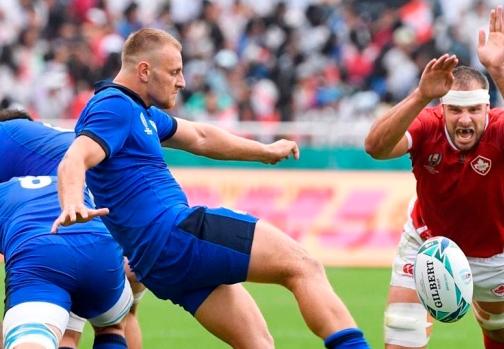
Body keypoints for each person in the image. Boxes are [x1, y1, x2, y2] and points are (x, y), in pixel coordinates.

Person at [52, 28, 370, 349]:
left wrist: (264, 151)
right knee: (303, 266)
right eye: (174, 71)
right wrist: (71, 202)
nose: (182, 82)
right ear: (144, 71)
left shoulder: (139, 111)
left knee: (258, 343)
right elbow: (74, 158)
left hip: (159, 264)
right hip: (176, 235)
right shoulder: (114, 106)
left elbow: (201, 137)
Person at [364, 7, 504, 349]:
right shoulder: (427, 123)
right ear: (442, 109)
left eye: (474, 110)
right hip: (426, 243)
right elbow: (375, 147)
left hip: (493, 254)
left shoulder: (502, 129)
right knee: (402, 333)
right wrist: (420, 95)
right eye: (455, 109)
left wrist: (500, 69)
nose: (465, 119)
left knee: (500, 333)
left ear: (487, 109)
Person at [0, 109, 145, 349]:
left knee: (50, 328)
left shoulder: (8, 146)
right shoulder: (53, 142)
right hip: (120, 224)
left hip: (63, 233)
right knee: (117, 320)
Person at [0, 175, 133, 349]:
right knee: (111, 327)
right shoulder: (71, 183)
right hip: (100, 251)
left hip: (40, 256)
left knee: (33, 337)